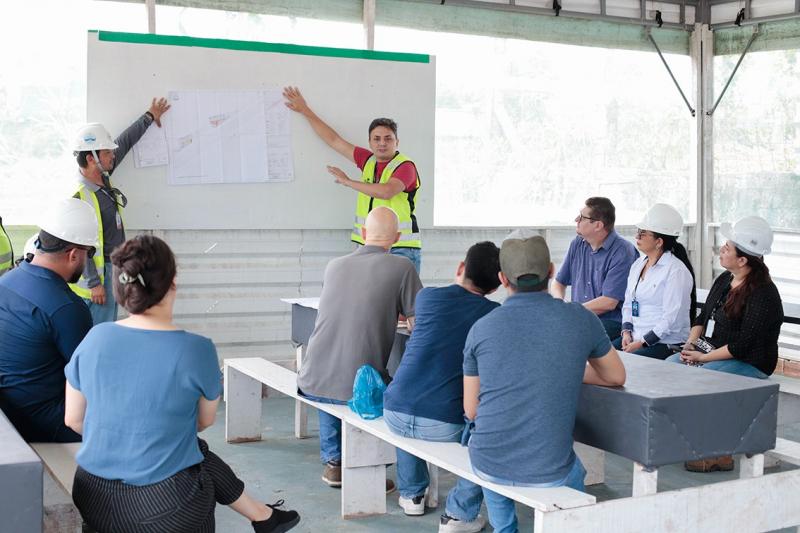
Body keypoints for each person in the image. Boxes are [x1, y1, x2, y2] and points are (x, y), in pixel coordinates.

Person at [63, 235, 300, 533]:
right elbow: (203, 422)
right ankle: (263, 517)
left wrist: (127, 439)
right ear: (172, 282)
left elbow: (73, 419)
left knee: (190, 452)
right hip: (161, 507)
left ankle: (263, 516)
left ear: (121, 288)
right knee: (192, 454)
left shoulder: (95, 338)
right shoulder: (196, 349)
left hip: (92, 496)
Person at [459, 234, 626, 533]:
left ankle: (504, 528)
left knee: (491, 468)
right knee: (576, 476)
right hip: (550, 467)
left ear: (502, 278)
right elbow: (615, 376)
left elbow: (471, 411)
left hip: (488, 461)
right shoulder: (580, 318)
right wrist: (566, 366)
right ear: (550, 271)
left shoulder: (481, 328)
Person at [296, 206, 423, 489]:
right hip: (357, 387)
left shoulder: (334, 265)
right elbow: (419, 323)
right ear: (397, 238)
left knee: (331, 375)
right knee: (385, 386)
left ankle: (334, 463)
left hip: (311, 379)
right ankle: (369, 467)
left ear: (364, 233)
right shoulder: (402, 266)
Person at [383, 241, 501, 523]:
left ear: (461, 267)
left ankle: (412, 494)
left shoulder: (427, 297)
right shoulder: (493, 314)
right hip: (443, 422)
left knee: (411, 398)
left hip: (393, 411)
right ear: (497, 286)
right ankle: (460, 514)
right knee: (490, 431)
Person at [667, 216, 782, 473]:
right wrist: (690, 347)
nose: (721, 249)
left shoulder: (763, 293)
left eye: (727, 248)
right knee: (669, 367)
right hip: (711, 351)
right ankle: (689, 439)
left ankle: (718, 453)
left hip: (749, 361)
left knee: (704, 379)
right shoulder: (724, 280)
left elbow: (743, 345)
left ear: (742, 260)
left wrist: (702, 359)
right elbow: (702, 317)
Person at [283, 87, 422, 272]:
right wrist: (305, 110)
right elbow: (334, 140)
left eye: (388, 138)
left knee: (400, 293)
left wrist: (348, 182)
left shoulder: (405, 166)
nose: (382, 143)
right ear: (370, 142)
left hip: (400, 248)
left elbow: (387, 191)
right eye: (377, 138)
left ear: (397, 142)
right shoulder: (368, 160)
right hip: (366, 246)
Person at [0, 199, 97, 442]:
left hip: (8, 409)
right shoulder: (67, 308)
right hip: (43, 423)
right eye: (89, 253)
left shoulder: (7, 281)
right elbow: (91, 379)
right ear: (73, 254)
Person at [71, 97, 171, 325]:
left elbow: (125, 142)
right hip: (99, 278)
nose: (113, 155)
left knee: (109, 324)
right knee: (99, 330)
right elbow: (79, 244)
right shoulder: (80, 197)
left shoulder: (102, 178)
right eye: (107, 152)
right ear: (91, 158)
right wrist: (94, 283)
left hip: (113, 269)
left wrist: (149, 117)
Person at [551, 197, 638, 341]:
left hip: (612, 322)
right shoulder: (577, 244)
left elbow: (609, 302)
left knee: (566, 336)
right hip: (580, 317)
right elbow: (558, 282)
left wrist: (571, 312)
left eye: (581, 217)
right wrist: (560, 304)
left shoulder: (623, 252)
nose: (576, 220)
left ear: (598, 225)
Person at [615, 204, 696, 360]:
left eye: (643, 233)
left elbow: (670, 319)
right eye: (638, 232)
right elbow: (628, 303)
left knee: (626, 363)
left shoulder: (676, 271)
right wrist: (626, 332)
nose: (637, 237)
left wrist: (642, 343)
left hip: (664, 343)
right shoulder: (638, 264)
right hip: (636, 337)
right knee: (599, 359)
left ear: (659, 242)